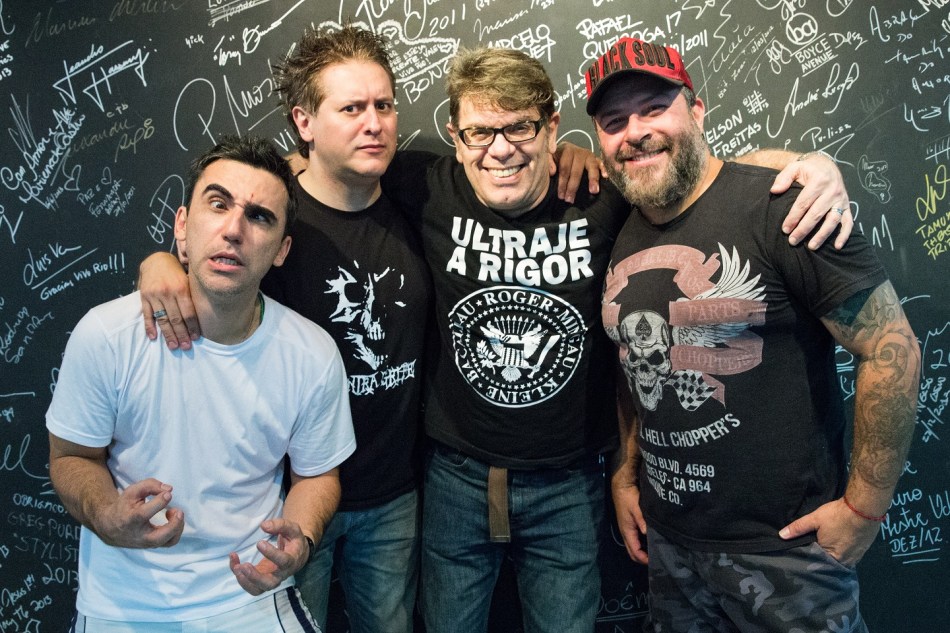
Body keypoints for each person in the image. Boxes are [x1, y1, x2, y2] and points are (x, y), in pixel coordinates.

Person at [141, 39, 853, 633]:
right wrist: (167, 260)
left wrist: (807, 167)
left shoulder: (602, 195)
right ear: (456, 138)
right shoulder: (424, 183)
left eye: (520, 128)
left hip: (570, 482)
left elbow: (693, 173)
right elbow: (277, 186)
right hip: (449, 478)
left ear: (552, 128)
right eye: (480, 132)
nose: (500, 149)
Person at [586, 37, 921, 631]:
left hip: (788, 554)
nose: (635, 132)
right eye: (614, 121)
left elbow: (890, 347)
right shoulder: (621, 230)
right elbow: (631, 371)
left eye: (654, 109)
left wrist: (865, 508)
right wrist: (625, 472)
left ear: (697, 111)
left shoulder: (783, 206)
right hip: (670, 546)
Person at [140, 26, 431, 633]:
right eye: (351, 108)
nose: (374, 123)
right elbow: (209, 257)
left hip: (393, 495)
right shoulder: (269, 217)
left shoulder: (418, 193)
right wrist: (161, 261)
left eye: (384, 105)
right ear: (304, 121)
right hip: (282, 497)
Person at [47, 135, 356, 632]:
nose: (233, 230)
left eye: (260, 217)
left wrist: (299, 539)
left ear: (281, 250)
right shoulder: (106, 335)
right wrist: (105, 514)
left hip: (252, 595)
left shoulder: (312, 355)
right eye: (218, 204)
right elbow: (70, 457)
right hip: (121, 603)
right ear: (182, 227)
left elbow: (317, 476)